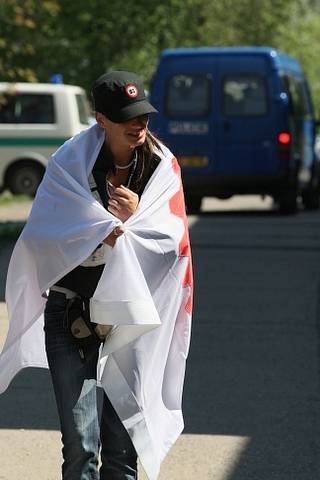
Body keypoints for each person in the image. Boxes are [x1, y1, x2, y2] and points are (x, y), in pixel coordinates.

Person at [0, 71, 193, 480]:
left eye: (143, 114)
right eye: (126, 116)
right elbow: (41, 239)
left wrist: (136, 219)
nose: (138, 124)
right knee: (81, 448)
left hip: (134, 321)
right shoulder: (68, 164)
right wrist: (103, 234)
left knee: (123, 453)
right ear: (100, 118)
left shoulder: (162, 168)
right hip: (72, 317)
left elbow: (174, 247)